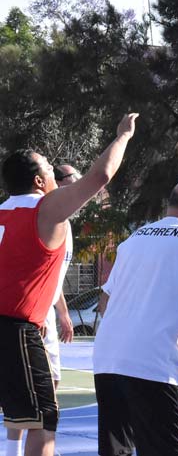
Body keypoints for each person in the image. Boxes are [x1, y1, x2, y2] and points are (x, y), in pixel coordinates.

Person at [0, 113, 137, 456]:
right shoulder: (44, 210)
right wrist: (122, 136)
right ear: (38, 181)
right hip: (16, 329)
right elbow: (100, 176)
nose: (54, 175)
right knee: (44, 422)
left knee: (22, 414)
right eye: (49, 169)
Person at [92, 179, 178, 456]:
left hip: (108, 359)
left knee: (116, 450)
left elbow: (105, 300)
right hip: (154, 364)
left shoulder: (135, 239)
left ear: (170, 205)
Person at [5, 166, 80, 456]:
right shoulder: (40, 216)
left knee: (50, 383)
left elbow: (51, 276)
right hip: (28, 313)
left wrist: (62, 313)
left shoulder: (61, 222)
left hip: (41, 309)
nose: (73, 189)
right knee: (38, 406)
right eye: (69, 183)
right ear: (49, 184)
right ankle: (14, 448)